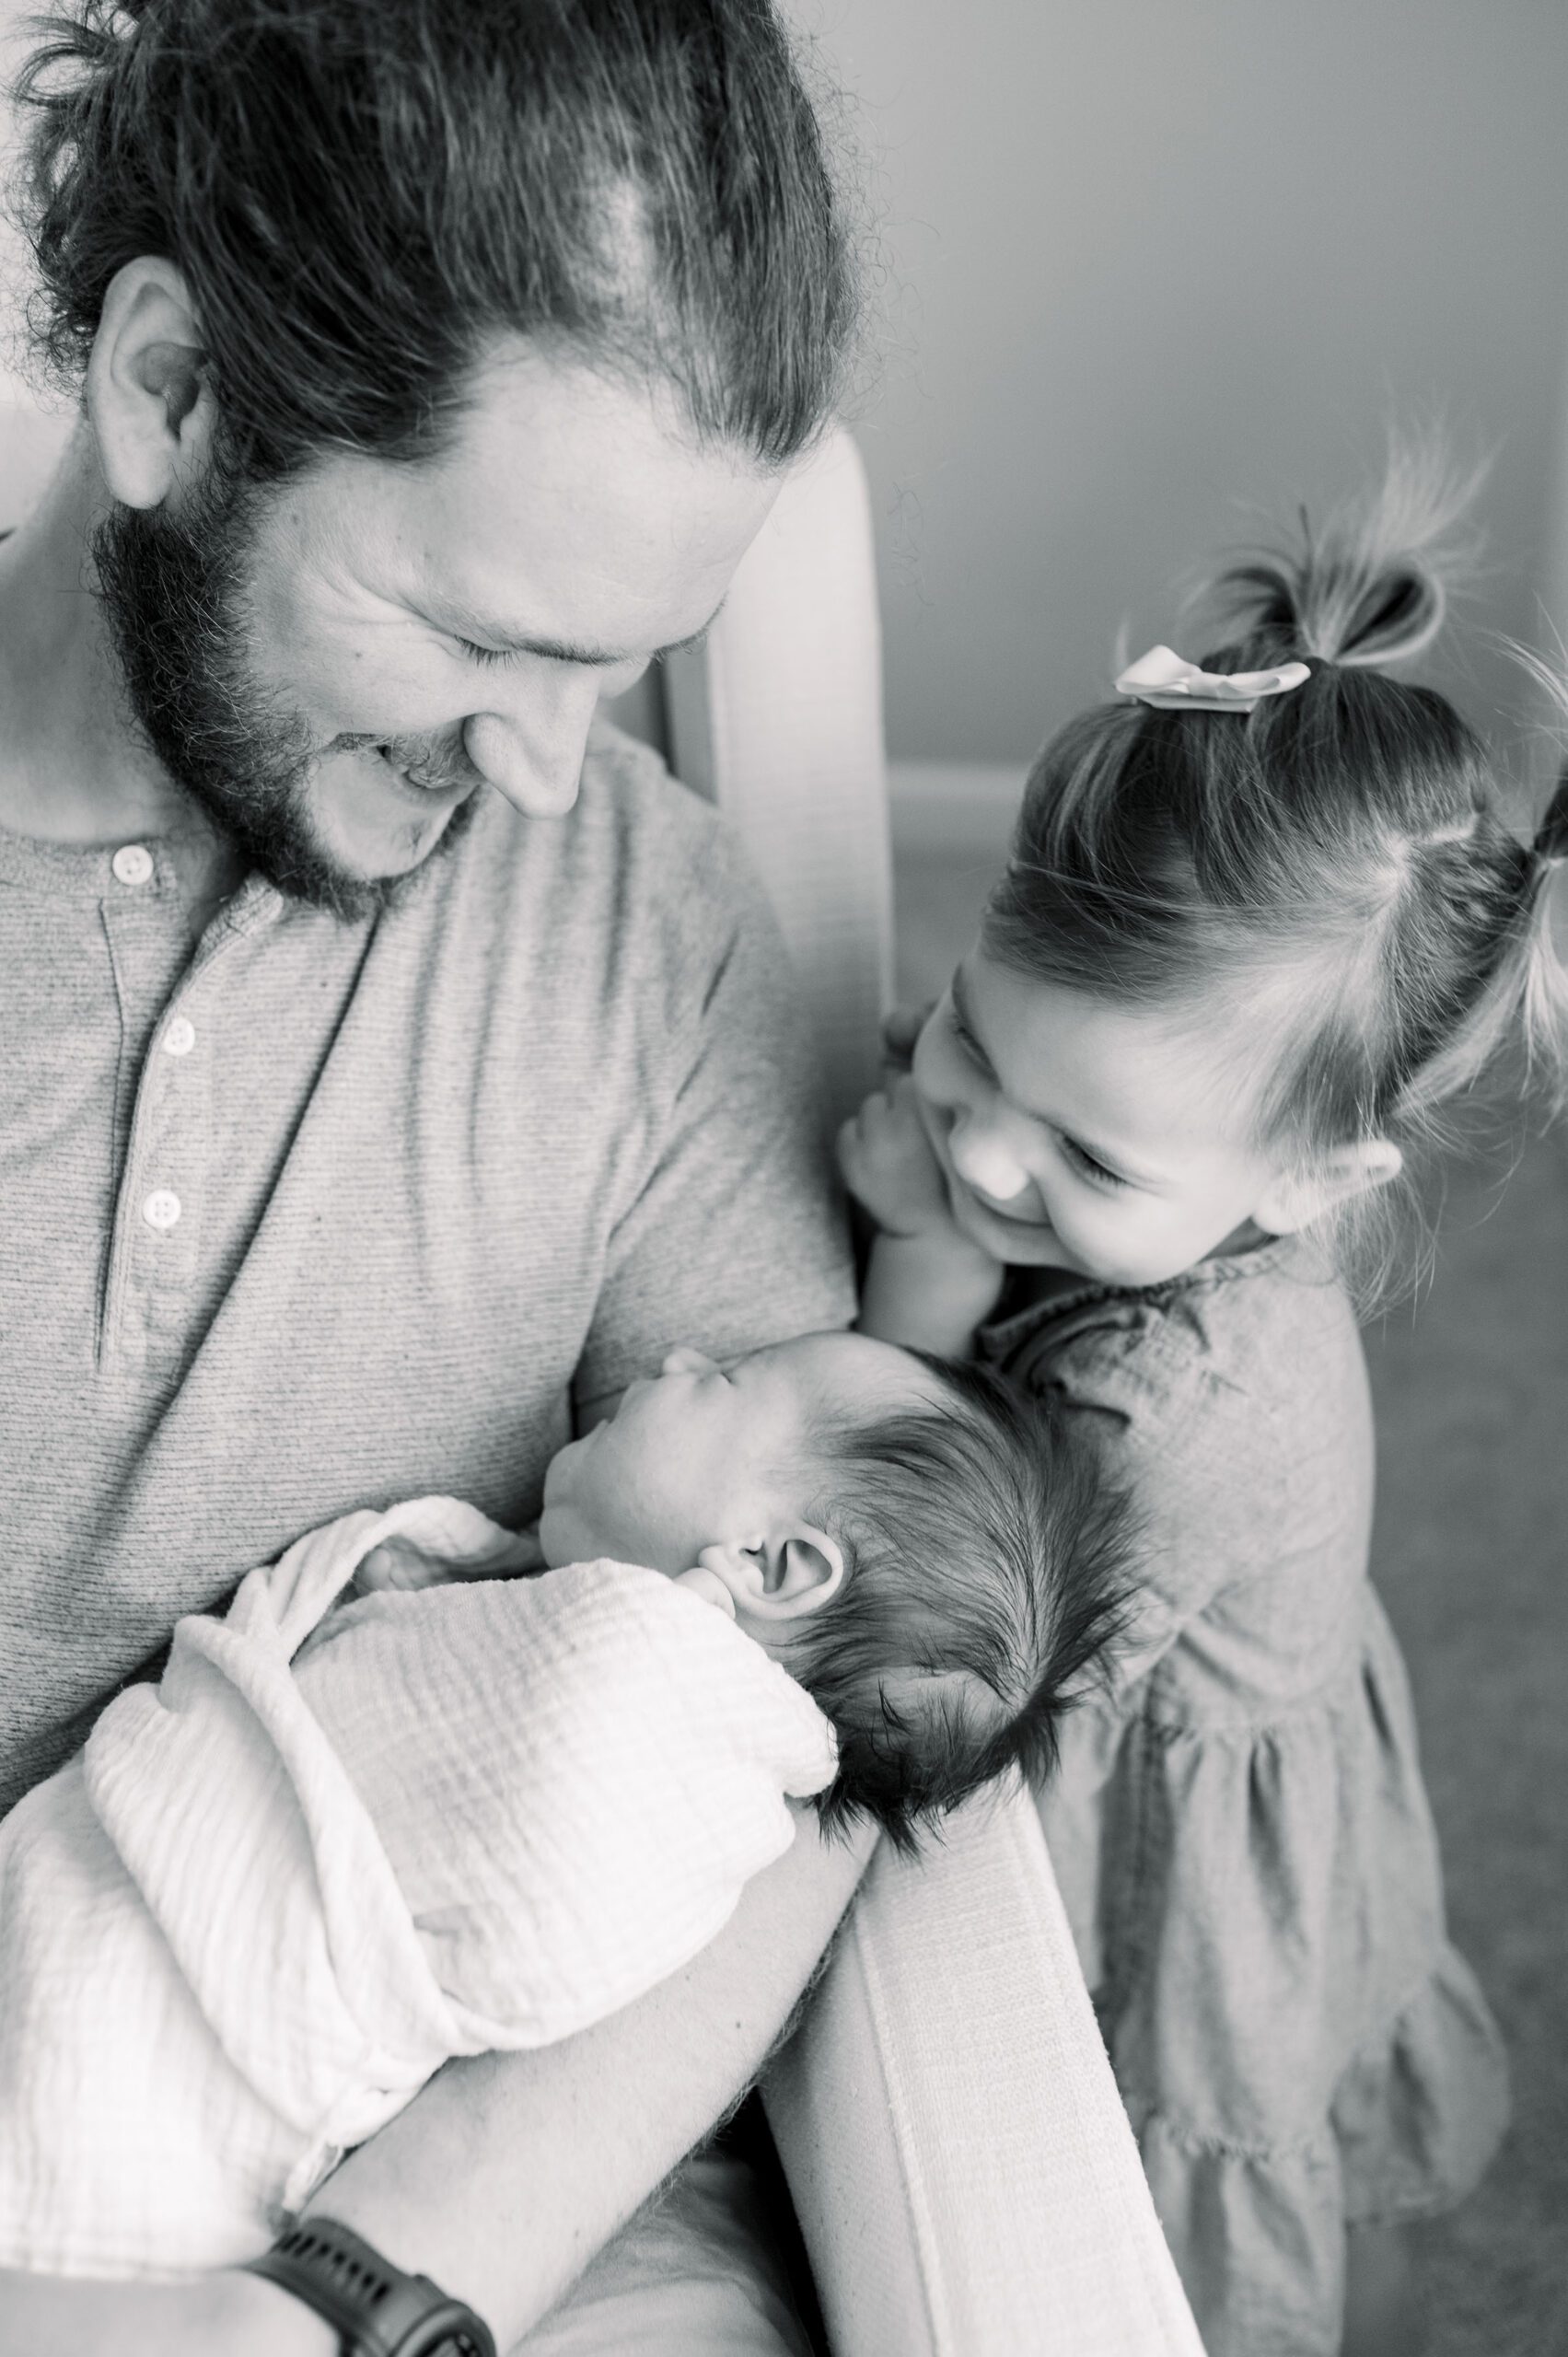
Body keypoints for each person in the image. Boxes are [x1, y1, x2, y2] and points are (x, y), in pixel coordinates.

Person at [0, 2, 878, 2350]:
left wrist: (350, 2296)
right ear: (169, 389)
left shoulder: (652, 936)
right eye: (486, 632)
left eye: (630, 663)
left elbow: (808, 1739)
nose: (556, 764)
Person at [838, 467, 1566, 2357]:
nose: (979, 1141)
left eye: (1075, 1152)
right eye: (973, 1037)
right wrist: (1011, 1135)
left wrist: (921, 1261)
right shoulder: (1153, 1138)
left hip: (1170, 1778)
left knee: (1222, 2189)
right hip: (1257, 1674)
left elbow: (944, 1576)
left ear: (1317, 1180)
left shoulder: (1159, 1416)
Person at [0, 1328, 1130, 2278]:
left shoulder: (638, 1730)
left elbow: (529, 1923)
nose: (678, 1352)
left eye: (722, 1379)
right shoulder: (606, 1666)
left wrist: (638, 1651)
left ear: (771, 1565)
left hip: (140, 2065)